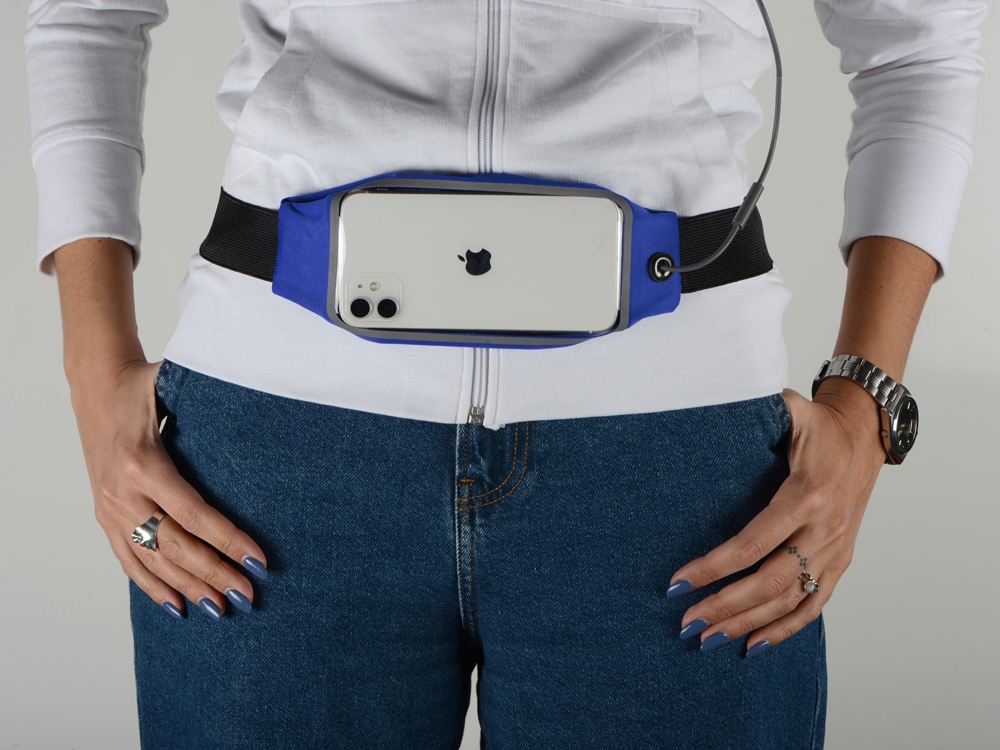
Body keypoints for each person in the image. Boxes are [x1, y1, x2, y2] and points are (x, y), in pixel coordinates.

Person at [24, 1, 986, 747]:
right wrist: (90, 373)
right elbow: (86, 11)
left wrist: (866, 406)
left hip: (677, 470)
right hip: (278, 453)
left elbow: (919, 44)